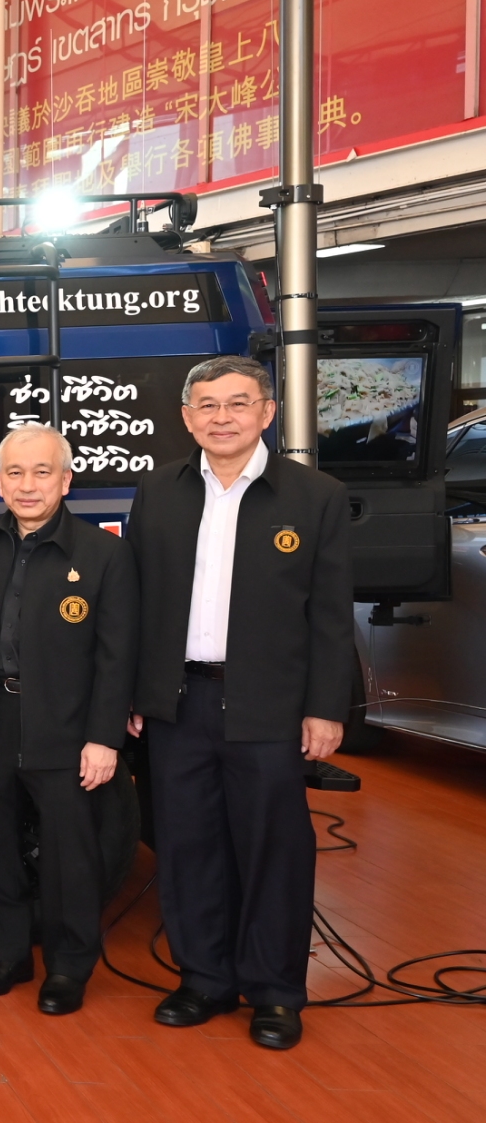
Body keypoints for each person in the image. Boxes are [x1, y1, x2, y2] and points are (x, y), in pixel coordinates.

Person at [126, 355, 353, 1051]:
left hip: (269, 706)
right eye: (208, 405)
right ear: (187, 417)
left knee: (273, 850)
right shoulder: (158, 490)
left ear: (267, 412)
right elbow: (135, 600)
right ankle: (205, 979)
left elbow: (330, 615)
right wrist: (133, 694)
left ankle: (276, 991)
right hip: (177, 701)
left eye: (237, 403)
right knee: (186, 845)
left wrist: (326, 707)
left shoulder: (315, 496)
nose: (222, 417)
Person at [0, 424, 138, 1016]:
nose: (27, 485)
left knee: (69, 857)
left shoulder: (104, 553)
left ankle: (68, 967)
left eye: (41, 472)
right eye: (15, 473)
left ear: (66, 480)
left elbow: (117, 656)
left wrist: (104, 738)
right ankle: (7, 955)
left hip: (67, 725)